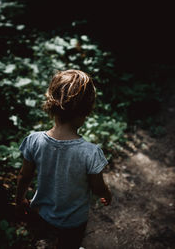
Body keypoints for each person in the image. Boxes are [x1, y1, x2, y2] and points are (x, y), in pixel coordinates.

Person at [15, 69, 112, 248]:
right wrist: (106, 194)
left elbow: (24, 175)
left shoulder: (34, 141)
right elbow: (97, 186)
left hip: (41, 211)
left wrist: (19, 198)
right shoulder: (90, 152)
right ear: (87, 110)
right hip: (74, 220)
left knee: (41, 240)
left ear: (51, 103)